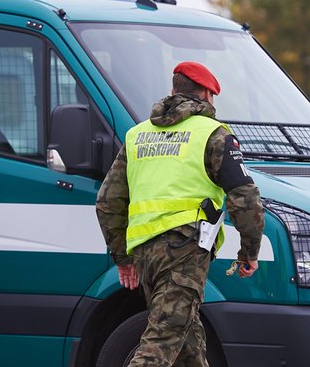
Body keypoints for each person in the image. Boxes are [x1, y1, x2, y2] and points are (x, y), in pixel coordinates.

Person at [96, 62, 265, 367]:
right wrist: (249, 251)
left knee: (187, 344)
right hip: (185, 251)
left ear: (173, 91)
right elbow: (245, 198)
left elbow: (107, 202)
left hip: (146, 255)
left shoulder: (137, 136)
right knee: (160, 343)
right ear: (207, 96)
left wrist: (122, 258)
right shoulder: (213, 134)